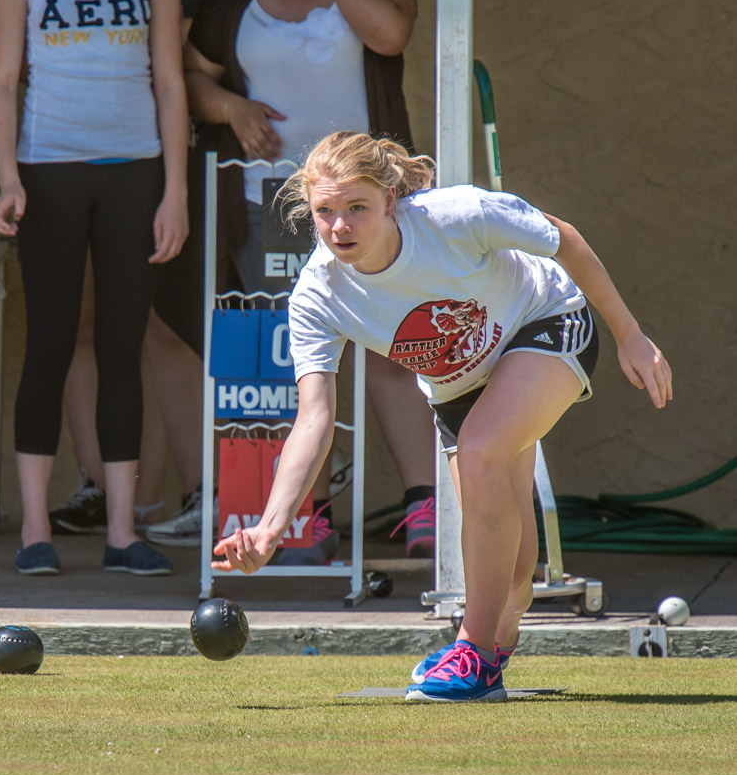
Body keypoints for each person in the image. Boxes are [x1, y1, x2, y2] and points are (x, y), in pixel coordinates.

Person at [214, 131, 673, 700]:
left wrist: (631, 337)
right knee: (510, 577)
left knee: (480, 453)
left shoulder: (457, 216)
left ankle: (472, 651)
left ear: (389, 200)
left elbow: (566, 241)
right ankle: (497, 644)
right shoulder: (318, 295)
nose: (341, 227)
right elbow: (314, 418)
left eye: (357, 207)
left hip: (547, 322)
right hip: (458, 384)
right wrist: (270, 527)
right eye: (325, 212)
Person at [184, 0, 437, 561]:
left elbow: (390, 31)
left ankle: (424, 507)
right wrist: (230, 106)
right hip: (273, 201)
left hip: (373, 203)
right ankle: (306, 516)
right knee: (299, 361)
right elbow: (192, 75)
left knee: (395, 348)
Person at [0, 0, 189, 576]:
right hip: (50, 170)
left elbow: (170, 82)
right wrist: (9, 175)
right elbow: (3, 80)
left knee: (121, 346)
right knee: (48, 341)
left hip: (135, 171)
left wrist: (175, 190)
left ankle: (121, 532)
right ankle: (36, 528)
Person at [139, 0, 294, 550]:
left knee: (241, 326)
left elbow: (245, 13)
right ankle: (224, 492)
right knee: (183, 317)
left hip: (252, 149)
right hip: (218, 138)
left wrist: (224, 100)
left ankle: (272, 499)